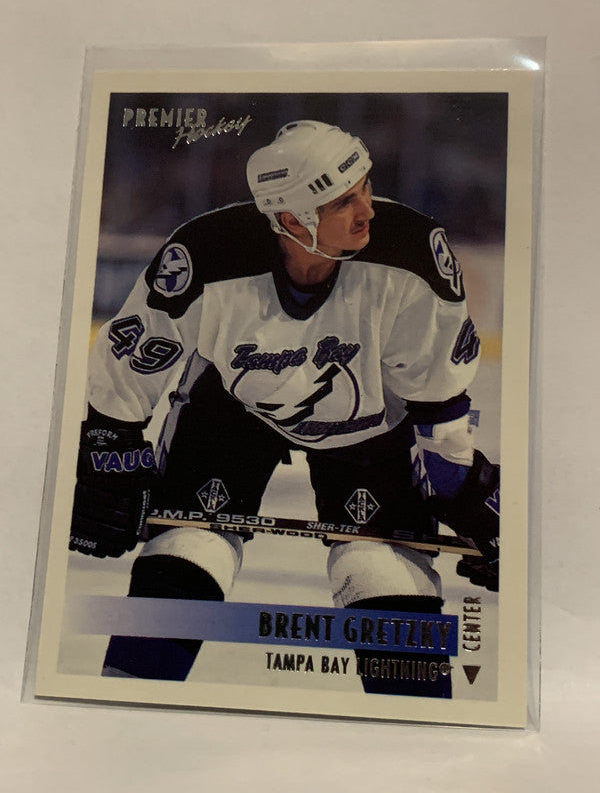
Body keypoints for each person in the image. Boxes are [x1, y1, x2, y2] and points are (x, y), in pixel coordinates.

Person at [70, 120, 499, 695]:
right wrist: (109, 453)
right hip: (230, 406)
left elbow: (437, 402)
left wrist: (469, 494)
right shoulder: (206, 254)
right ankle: (123, 710)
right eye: (343, 202)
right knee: (186, 548)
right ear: (292, 219)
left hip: (372, 417)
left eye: (366, 188)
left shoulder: (412, 255)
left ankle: (420, 731)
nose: (367, 211)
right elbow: (131, 364)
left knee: (377, 569)